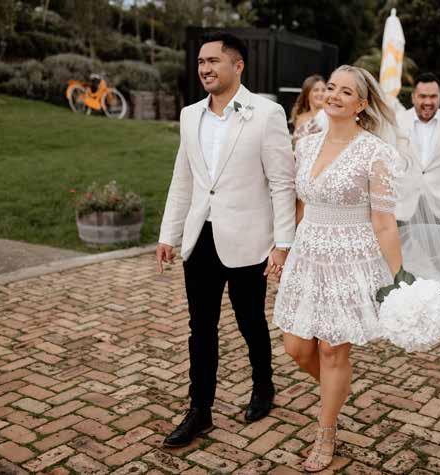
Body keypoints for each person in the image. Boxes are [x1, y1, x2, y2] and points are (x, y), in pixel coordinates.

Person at [156, 31, 296, 447]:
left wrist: (282, 244)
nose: (204, 68)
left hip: (249, 240)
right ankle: (199, 410)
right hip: (201, 237)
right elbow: (183, 179)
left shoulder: (267, 114)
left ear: (238, 65)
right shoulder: (190, 115)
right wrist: (169, 234)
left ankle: (263, 385)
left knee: (250, 320)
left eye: (213, 61)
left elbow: (282, 183)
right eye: (201, 61)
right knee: (200, 328)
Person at [272, 65, 403, 472]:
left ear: (361, 104)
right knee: (296, 347)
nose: (334, 96)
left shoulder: (375, 153)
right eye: (331, 88)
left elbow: (384, 223)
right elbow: (298, 203)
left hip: (351, 257)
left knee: (332, 349)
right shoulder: (306, 143)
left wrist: (400, 277)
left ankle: (325, 433)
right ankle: (338, 388)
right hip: (308, 253)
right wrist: (284, 249)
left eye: (346, 92)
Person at [395, 73, 440, 226]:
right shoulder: (397, 120)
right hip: (403, 206)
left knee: (439, 244)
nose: (428, 102)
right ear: (413, 97)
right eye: (422, 96)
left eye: (433, 96)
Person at [290, 75, 326, 146]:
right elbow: (295, 145)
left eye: (323, 90)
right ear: (307, 93)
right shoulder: (300, 118)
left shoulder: (331, 117)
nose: (321, 93)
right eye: (316, 90)